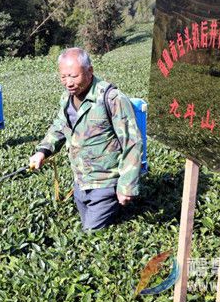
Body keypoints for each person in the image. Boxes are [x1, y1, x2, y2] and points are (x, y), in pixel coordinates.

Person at [29, 48, 142, 230]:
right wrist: (42, 152)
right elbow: (59, 126)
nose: (69, 83)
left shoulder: (111, 98)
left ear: (90, 71)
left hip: (105, 183)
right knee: (90, 229)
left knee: (90, 235)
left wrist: (127, 185)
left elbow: (132, 142)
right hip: (80, 183)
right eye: (64, 77)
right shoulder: (67, 98)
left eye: (74, 76)